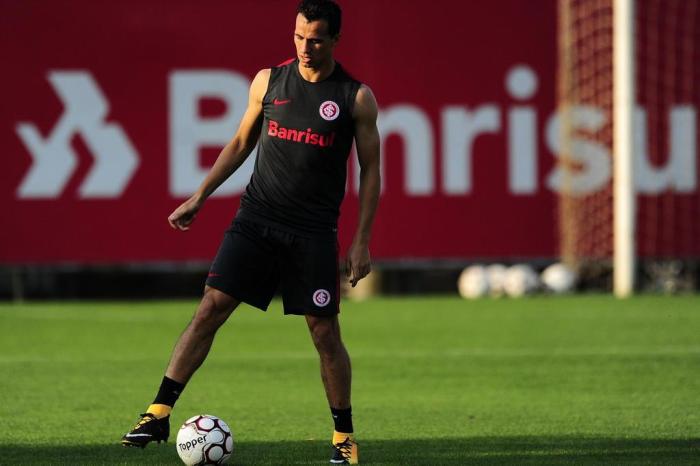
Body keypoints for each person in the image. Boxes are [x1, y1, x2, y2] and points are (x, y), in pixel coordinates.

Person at [120, 0, 380, 464]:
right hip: (257, 220)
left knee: (324, 332)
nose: (305, 46)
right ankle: (157, 414)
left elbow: (371, 169)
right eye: (299, 36)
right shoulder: (269, 81)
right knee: (209, 309)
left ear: (336, 40)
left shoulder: (355, 98)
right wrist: (200, 195)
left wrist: (362, 240)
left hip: (313, 232)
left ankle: (344, 439)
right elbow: (241, 142)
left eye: (316, 38)